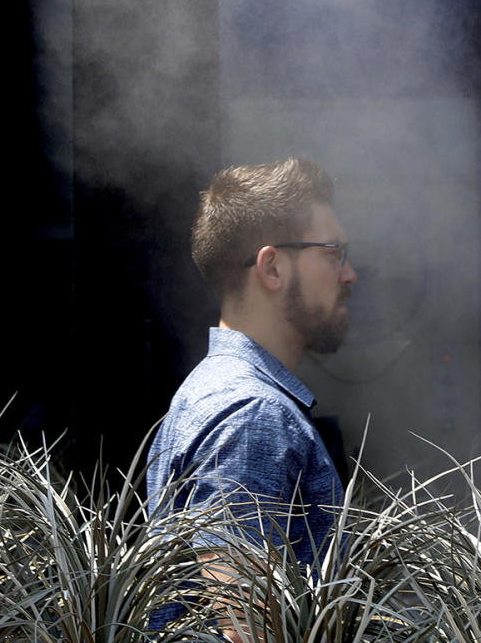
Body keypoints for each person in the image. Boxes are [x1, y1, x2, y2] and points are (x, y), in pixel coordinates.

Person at [146, 156, 358, 605]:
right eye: (333, 253)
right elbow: (246, 628)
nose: (349, 274)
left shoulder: (218, 391)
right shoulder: (253, 415)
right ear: (273, 268)